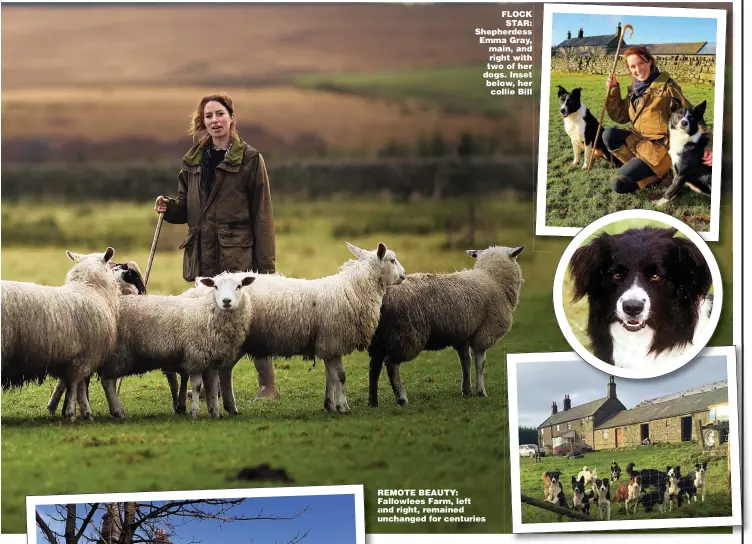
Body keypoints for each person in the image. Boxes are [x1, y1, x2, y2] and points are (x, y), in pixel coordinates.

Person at [155, 93, 278, 399]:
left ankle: (268, 385)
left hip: (237, 250)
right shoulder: (193, 161)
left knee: (250, 322)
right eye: (208, 116)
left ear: (231, 118)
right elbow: (186, 207)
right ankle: (215, 389)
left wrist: (267, 269)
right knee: (207, 322)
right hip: (202, 251)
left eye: (219, 114)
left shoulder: (250, 159)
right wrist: (169, 208)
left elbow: (262, 215)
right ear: (202, 121)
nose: (214, 121)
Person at [603, 45, 712, 194]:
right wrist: (613, 89)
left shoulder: (668, 88)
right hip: (639, 142)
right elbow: (620, 116)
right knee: (608, 135)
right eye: (633, 66)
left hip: (660, 150)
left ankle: (657, 176)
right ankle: (641, 167)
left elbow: (693, 116)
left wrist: (708, 147)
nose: (638, 69)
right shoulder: (635, 89)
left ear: (650, 62)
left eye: (641, 63)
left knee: (619, 184)